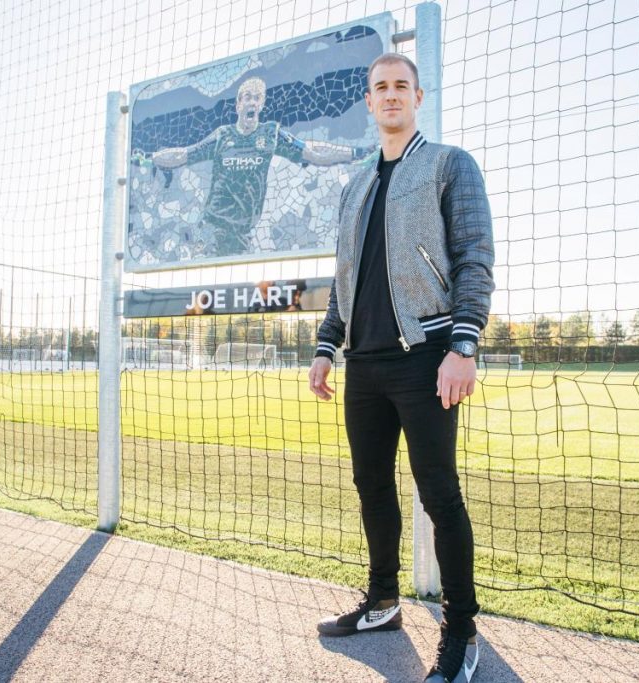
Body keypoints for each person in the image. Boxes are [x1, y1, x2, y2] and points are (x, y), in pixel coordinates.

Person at [308, 52, 494, 683]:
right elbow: (344, 279)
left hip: (428, 357)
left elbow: (474, 257)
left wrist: (463, 345)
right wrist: (326, 344)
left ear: (420, 96)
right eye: (380, 88)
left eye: (401, 87)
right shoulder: (354, 186)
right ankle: (383, 601)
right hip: (364, 364)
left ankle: (461, 631)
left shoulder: (449, 165)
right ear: (369, 101)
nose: (390, 96)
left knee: (440, 493)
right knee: (371, 486)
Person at [136, 76, 375, 258]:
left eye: (257, 97)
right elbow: (183, 155)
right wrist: (150, 158)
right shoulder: (223, 136)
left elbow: (312, 152)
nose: (252, 101)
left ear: (261, 104)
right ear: (238, 104)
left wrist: (356, 153)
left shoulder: (270, 134)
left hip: (243, 232)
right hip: (212, 226)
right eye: (247, 97)